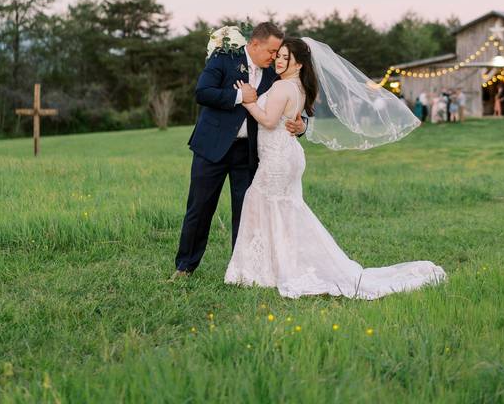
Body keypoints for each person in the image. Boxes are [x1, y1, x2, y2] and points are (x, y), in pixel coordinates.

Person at [225, 37, 446, 299]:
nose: (280, 61)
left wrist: (247, 100)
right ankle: (272, 266)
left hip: (278, 159)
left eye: (287, 57)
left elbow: (270, 121)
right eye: (279, 56)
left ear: (299, 64)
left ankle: (264, 270)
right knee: (283, 208)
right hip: (286, 155)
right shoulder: (297, 87)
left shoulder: (283, 87)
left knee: (263, 202)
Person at [173, 22, 306, 277]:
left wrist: (302, 125)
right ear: (254, 44)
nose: (275, 57)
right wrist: (239, 97)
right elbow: (202, 92)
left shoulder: (274, 74)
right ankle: (185, 266)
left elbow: (290, 103)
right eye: (271, 51)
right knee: (200, 208)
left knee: (245, 211)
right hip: (212, 147)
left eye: (278, 53)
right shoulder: (224, 59)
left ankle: (242, 269)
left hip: (248, 151)